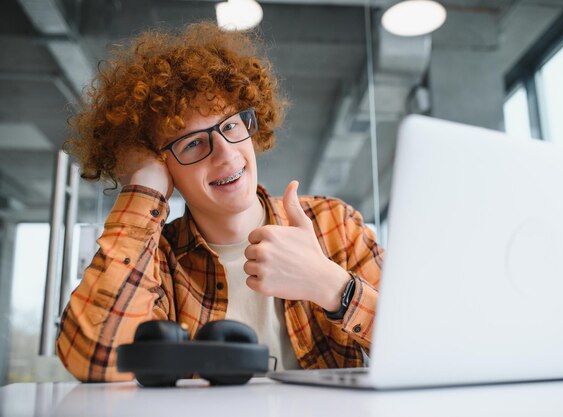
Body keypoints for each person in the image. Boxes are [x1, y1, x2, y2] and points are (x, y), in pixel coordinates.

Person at [56, 21, 383, 382]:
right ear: (164, 167)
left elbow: (429, 340)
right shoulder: (157, 262)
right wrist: (143, 190)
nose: (226, 155)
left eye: (230, 126)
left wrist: (333, 287)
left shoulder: (334, 225)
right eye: (193, 143)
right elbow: (97, 360)